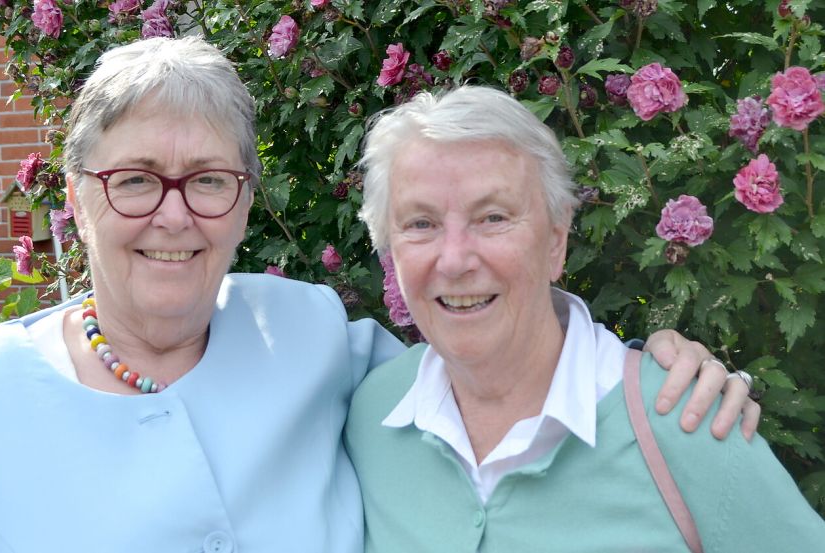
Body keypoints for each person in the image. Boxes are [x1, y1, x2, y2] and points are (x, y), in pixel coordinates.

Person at [0, 39, 756, 552]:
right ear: (74, 195)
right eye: (135, 179)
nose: (173, 215)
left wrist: (651, 368)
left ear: (246, 200)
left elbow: (491, 346)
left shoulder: (311, 336)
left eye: (209, 179)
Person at [345, 85, 825, 552]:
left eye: (492, 217)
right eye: (421, 224)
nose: (454, 260)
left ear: (556, 240)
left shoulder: (687, 421)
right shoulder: (372, 415)